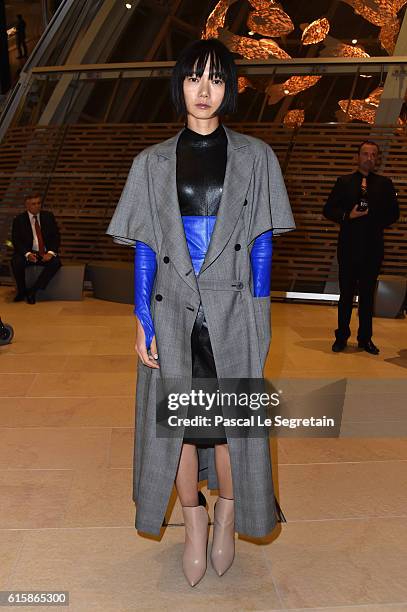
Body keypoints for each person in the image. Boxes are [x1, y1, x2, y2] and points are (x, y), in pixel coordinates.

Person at [106, 38, 295, 587]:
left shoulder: (257, 157)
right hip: (173, 309)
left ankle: (227, 518)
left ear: (229, 87)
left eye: (215, 78)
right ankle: (192, 521)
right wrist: (143, 321)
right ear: (179, 85)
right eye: (193, 78)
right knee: (181, 427)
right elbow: (145, 246)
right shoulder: (151, 162)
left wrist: (257, 317)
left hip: (235, 308)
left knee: (233, 424)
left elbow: (263, 245)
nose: (204, 90)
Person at [323, 141, 399, 354]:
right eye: (365, 153)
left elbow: (394, 214)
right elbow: (328, 209)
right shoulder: (344, 182)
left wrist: (374, 219)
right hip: (348, 246)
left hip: (373, 247)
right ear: (358, 157)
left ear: (377, 159)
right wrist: (349, 216)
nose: (369, 157)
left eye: (373, 154)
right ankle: (341, 337)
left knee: (367, 296)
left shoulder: (385, 184)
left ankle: (365, 339)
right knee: (346, 294)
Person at [11, 194, 62, 304]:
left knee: (56, 262)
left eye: (39, 203)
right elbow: (16, 241)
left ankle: (33, 291)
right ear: (27, 205)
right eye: (34, 204)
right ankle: (21, 291)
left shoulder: (48, 216)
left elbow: (56, 237)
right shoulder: (19, 220)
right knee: (16, 261)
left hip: (44, 253)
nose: (37, 206)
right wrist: (27, 254)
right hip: (29, 253)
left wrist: (51, 253)